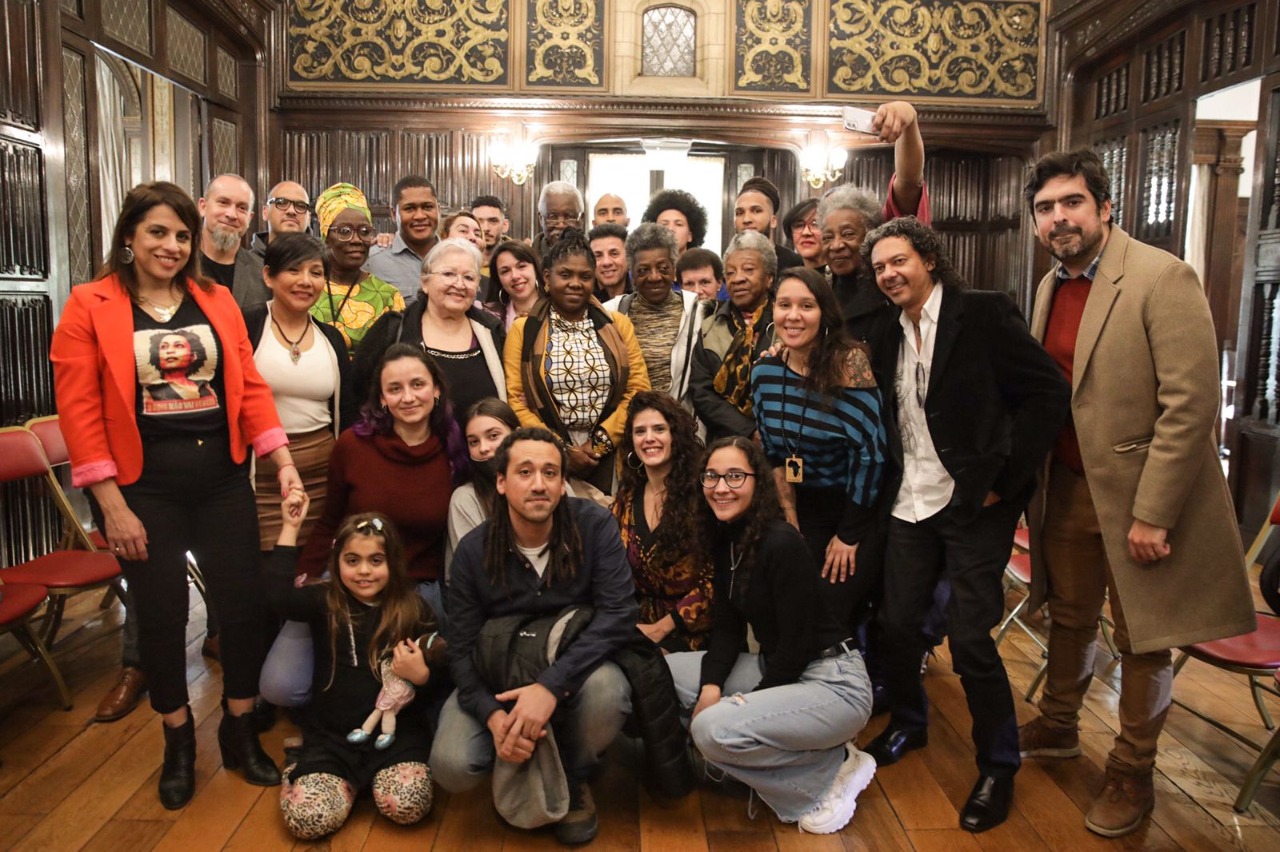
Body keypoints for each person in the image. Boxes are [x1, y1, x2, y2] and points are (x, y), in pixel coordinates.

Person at [1017, 149, 1256, 837]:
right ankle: (1060, 725)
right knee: (1068, 616)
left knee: (1144, 639)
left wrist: (1154, 513)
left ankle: (1132, 767)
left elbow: (1190, 405)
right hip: (1066, 485)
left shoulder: (1159, 276)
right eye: (1046, 208)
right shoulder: (1050, 286)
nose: (1058, 218)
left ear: (1105, 207)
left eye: (1071, 203)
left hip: (1140, 498)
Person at [50, 181, 300, 808]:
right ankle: (178, 740)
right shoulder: (90, 304)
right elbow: (79, 414)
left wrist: (282, 460)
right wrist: (110, 505)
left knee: (241, 611)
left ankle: (240, 731)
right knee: (160, 620)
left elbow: (247, 389)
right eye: (158, 232)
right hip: (143, 490)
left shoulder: (213, 300)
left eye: (181, 235)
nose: (171, 245)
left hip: (221, 481)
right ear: (129, 236)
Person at [861, 218, 1070, 833]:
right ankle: (909, 724)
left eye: (899, 261)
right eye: (880, 268)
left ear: (929, 258)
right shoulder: (884, 330)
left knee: (972, 639)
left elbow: (1047, 395)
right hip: (910, 499)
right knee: (896, 624)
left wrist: (1004, 481)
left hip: (974, 500)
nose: (889, 274)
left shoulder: (983, 314)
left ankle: (998, 765)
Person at [430, 428, 637, 846]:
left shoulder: (594, 526)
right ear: (501, 482)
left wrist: (549, 687)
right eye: (525, 472)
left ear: (564, 484)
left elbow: (619, 613)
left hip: (572, 668)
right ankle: (518, 758)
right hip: (498, 675)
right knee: (451, 765)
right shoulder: (474, 551)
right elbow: (462, 648)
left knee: (608, 694)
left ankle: (574, 776)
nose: (539, 484)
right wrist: (493, 716)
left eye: (550, 472)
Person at [666, 437, 875, 834]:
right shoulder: (728, 540)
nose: (721, 487)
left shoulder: (781, 541)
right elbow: (727, 629)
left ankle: (828, 770)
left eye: (734, 476)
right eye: (712, 476)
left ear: (757, 482)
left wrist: (750, 702)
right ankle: (793, 750)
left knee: (711, 730)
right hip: (781, 666)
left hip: (834, 682)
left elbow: (796, 647)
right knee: (664, 672)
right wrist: (712, 687)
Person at [270, 499, 442, 839]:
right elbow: (277, 598)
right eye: (353, 561)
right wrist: (290, 529)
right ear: (337, 563)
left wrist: (422, 676)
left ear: (392, 563)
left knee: (410, 806)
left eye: (375, 561)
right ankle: (299, 763)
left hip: (396, 739)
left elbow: (440, 677)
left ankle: (366, 786)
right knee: (307, 820)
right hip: (331, 740)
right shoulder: (325, 602)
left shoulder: (414, 608)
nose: (364, 571)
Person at [751, 267, 887, 633]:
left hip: (854, 508)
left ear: (824, 313)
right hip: (798, 503)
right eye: (784, 305)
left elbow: (870, 455)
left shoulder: (849, 365)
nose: (793, 316)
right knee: (778, 604)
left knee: (826, 612)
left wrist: (848, 535)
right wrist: (790, 518)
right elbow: (775, 455)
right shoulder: (764, 372)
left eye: (806, 305)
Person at [299, 344, 467, 618]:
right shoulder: (352, 446)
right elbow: (329, 521)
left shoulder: (454, 451)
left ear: (436, 390)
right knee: (283, 663)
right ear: (381, 399)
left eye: (417, 384)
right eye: (394, 389)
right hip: (350, 582)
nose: (408, 397)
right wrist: (305, 579)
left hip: (415, 593)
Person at [504, 228, 650, 494]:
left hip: (612, 451)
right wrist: (561, 449)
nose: (575, 283)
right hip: (545, 451)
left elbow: (638, 390)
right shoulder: (524, 330)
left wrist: (600, 444)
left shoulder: (618, 325)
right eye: (565, 275)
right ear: (547, 278)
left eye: (585, 277)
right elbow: (516, 399)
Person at [243, 232, 356, 550]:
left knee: (315, 573)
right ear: (268, 275)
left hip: (323, 474)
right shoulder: (247, 326)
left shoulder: (331, 339)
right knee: (265, 572)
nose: (305, 281)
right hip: (259, 475)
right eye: (294, 270)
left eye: (316, 273)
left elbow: (345, 413)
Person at [816, 101, 929, 349]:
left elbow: (909, 182)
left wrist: (908, 120)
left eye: (847, 234)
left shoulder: (890, 281)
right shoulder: (816, 288)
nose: (836, 245)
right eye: (827, 237)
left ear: (870, 234)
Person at [354, 237, 506, 420]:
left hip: (480, 447)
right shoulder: (392, 329)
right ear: (425, 282)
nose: (459, 284)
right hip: (405, 446)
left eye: (469, 277)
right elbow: (356, 393)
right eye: (448, 274)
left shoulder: (492, 331)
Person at [612, 391, 712, 652]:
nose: (649, 439)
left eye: (659, 429)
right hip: (636, 629)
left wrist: (663, 629)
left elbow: (719, 582)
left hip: (696, 635)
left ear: (675, 436)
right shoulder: (626, 497)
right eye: (640, 431)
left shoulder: (704, 495)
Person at [688, 231, 777, 441]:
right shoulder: (711, 325)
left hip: (778, 441)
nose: (737, 279)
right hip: (724, 442)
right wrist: (748, 431)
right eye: (730, 273)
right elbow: (702, 393)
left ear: (769, 278)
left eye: (748, 270)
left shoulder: (786, 322)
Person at [605, 223, 702, 400]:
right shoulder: (609, 313)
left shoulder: (698, 314)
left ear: (674, 270)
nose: (654, 277)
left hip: (682, 423)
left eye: (663, 268)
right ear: (632, 274)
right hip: (627, 423)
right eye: (643, 270)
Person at [308, 183, 405, 354]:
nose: (356, 240)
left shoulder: (388, 297)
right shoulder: (305, 287)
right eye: (344, 231)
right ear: (326, 236)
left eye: (364, 231)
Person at [366, 175, 442, 300]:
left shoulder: (458, 258)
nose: (420, 216)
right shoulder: (372, 261)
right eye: (410, 208)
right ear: (393, 213)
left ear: (438, 209)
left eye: (427, 207)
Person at [199, 173, 268, 308]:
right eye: (223, 203)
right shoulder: (179, 264)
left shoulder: (262, 274)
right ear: (203, 206)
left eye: (242, 208)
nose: (231, 214)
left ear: (250, 218)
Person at [733, 176, 805, 271]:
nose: (746, 219)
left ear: (773, 221)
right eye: (740, 213)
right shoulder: (730, 262)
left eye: (756, 211)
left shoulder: (794, 264)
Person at [486, 241, 544, 330]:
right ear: (498, 279)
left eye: (521, 266)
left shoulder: (557, 309)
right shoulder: (488, 316)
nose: (515, 276)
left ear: (535, 268)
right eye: (505, 271)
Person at [251, 180, 312, 256]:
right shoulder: (243, 265)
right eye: (281, 203)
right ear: (265, 212)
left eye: (300, 206)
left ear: (309, 218)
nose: (291, 211)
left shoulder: (322, 263)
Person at [641, 188, 707, 256]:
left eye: (679, 224)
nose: (671, 229)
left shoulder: (704, 265)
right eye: (664, 224)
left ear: (690, 236)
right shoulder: (638, 264)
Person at [533, 180, 584, 260]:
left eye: (569, 216)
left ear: (581, 219)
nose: (561, 225)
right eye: (552, 217)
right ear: (540, 219)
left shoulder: (595, 257)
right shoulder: (526, 260)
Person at [589, 222, 630, 301]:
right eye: (598, 255)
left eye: (614, 254)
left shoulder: (643, 291)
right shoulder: (583, 297)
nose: (606, 262)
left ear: (628, 256)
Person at [781, 198, 825, 271]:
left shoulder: (843, 277)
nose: (806, 232)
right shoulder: (786, 278)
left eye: (815, 224)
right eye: (799, 225)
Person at [469, 194, 510, 267]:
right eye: (479, 221)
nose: (485, 228)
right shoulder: (458, 260)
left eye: (493, 221)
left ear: (505, 225)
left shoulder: (520, 258)